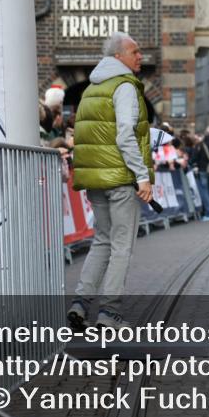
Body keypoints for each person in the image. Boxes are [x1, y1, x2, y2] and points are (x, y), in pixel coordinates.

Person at [67, 32, 155, 330]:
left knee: (102, 239)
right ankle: (110, 311)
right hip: (121, 177)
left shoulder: (92, 88)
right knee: (121, 245)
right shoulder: (125, 86)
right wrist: (141, 176)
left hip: (95, 178)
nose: (139, 55)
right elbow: (125, 134)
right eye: (135, 51)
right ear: (119, 56)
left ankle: (81, 303)